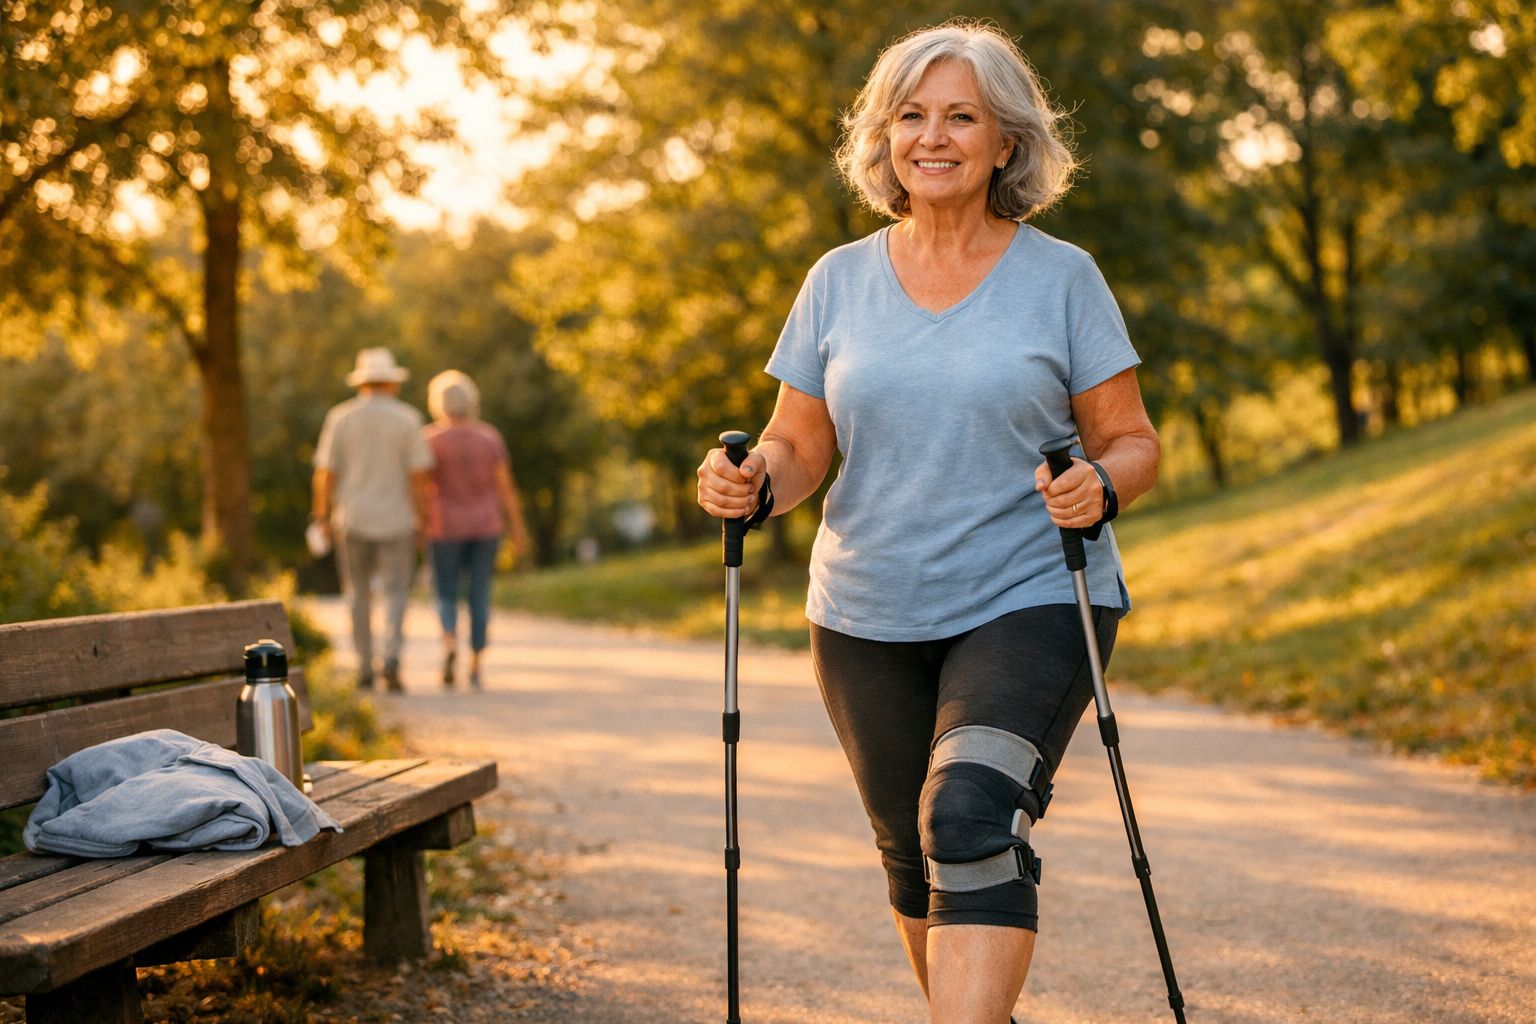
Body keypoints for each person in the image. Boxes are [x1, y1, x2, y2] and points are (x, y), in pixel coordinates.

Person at [695, 21, 1160, 1024]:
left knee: (969, 815)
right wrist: (750, 482)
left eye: (962, 116)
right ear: (884, 138)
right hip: (866, 610)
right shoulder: (838, 279)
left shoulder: (1063, 276)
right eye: (911, 115)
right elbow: (798, 444)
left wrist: (1103, 487)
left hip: (1028, 590)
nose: (932, 136)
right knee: (913, 854)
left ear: (1007, 143)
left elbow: (1131, 439)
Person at [311, 347, 434, 693]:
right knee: (396, 592)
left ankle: (364, 667)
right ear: (392, 383)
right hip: (396, 519)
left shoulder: (341, 418)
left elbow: (325, 473)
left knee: (357, 594)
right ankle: (391, 658)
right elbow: (418, 476)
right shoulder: (408, 419)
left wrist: (321, 515)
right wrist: (422, 518)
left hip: (352, 519)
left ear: (361, 383)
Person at [422, 370, 532, 690]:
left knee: (445, 591)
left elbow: (419, 488)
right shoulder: (489, 438)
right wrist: (518, 528)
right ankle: (475, 664)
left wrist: (418, 523)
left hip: (444, 525)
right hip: (485, 525)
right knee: (479, 593)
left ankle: (449, 641)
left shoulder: (430, 440)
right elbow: (505, 489)